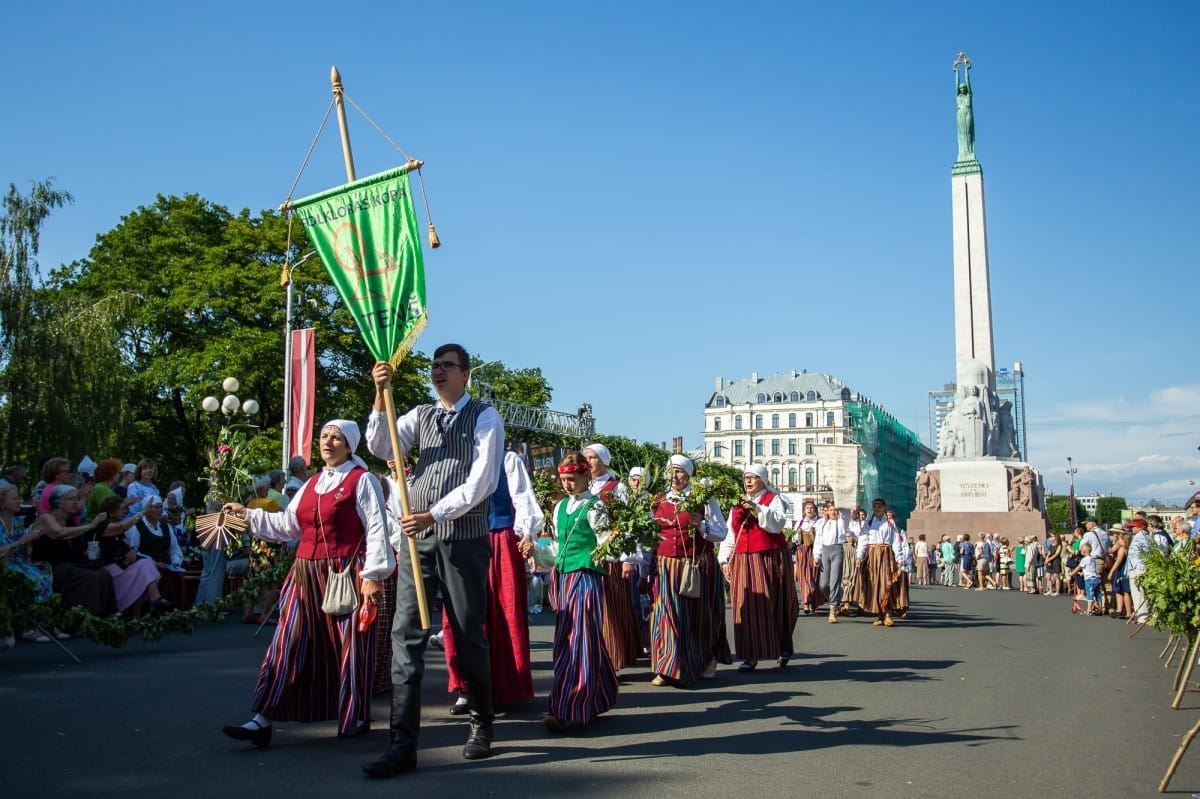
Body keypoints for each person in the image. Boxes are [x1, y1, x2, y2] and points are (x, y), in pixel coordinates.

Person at [363, 345, 504, 777]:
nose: (437, 371)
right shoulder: (420, 414)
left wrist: (434, 512)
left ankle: (481, 724)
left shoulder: (484, 416)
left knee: (466, 631)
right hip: (417, 537)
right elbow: (381, 443)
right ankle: (402, 744)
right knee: (406, 634)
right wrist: (378, 392)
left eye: (446, 366)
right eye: (433, 366)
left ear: (465, 373)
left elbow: (483, 481)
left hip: (461, 537)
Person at [221, 419, 394, 748]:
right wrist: (247, 514)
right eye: (324, 436)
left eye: (336, 438)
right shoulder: (312, 483)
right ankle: (261, 718)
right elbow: (288, 525)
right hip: (304, 573)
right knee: (287, 643)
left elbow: (377, 528)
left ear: (349, 445)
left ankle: (353, 715)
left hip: (345, 573)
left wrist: (372, 576)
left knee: (350, 646)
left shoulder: (363, 480)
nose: (328, 442)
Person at [440, 446, 543, 714]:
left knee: (501, 613)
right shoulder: (455, 458)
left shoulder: (507, 459)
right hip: (461, 539)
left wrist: (527, 533)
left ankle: (501, 687)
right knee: (460, 615)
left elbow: (522, 497)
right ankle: (465, 687)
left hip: (498, 537)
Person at [528, 452, 619, 732]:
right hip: (564, 580)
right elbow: (557, 549)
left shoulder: (595, 507)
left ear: (585, 476)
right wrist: (535, 550)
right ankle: (596, 695)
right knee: (569, 642)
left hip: (586, 578)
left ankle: (570, 708)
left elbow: (608, 547)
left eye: (572, 479)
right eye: (564, 479)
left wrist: (615, 540)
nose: (567, 485)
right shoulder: (561, 508)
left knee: (579, 642)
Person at [649, 454, 730, 687]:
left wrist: (701, 524)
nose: (675, 476)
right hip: (665, 565)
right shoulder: (658, 500)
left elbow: (721, 532)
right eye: (671, 471)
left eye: (680, 471)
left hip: (695, 565)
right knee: (665, 616)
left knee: (698, 616)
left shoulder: (702, 499)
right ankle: (667, 666)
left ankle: (705, 659)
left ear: (689, 474)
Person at [718, 464, 796, 669]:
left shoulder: (773, 499)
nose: (748, 481)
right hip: (743, 560)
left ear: (763, 480)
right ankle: (749, 655)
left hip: (769, 557)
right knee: (745, 605)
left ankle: (782, 647)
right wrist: (725, 559)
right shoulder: (737, 504)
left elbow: (777, 524)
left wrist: (757, 508)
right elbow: (730, 534)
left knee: (774, 603)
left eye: (753, 478)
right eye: (746, 478)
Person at [583, 442, 642, 672]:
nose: (588, 461)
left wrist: (629, 558)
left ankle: (613, 657)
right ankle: (595, 656)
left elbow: (628, 524)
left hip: (611, 556)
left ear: (604, 461)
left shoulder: (617, 487)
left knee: (611, 607)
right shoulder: (583, 486)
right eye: (586, 457)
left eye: (593, 457)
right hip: (588, 556)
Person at [27, 484, 118, 617]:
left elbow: (77, 548)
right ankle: (82, 616)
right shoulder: (47, 518)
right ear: (58, 503)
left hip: (71, 563)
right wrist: (90, 526)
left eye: (77, 498)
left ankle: (104, 614)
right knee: (89, 576)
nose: (76, 502)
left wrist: (88, 553)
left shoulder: (71, 521)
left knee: (103, 573)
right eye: (71, 499)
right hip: (50, 565)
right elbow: (59, 533)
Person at [0, 484, 69, 643]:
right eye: (14, 498)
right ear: (2, 503)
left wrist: (32, 539)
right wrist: (22, 541)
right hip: (4, 567)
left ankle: (47, 622)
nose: (19, 502)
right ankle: (29, 627)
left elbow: (24, 547)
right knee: (33, 580)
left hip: (19, 563)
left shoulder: (17, 522)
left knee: (43, 576)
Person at [853, 498, 902, 627]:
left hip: (885, 554)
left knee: (886, 583)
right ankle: (880, 614)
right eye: (874, 506)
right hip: (873, 554)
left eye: (879, 506)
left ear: (884, 507)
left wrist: (899, 558)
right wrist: (859, 556)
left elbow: (896, 541)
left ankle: (888, 613)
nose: (877, 508)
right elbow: (863, 540)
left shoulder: (890, 522)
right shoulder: (868, 522)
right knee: (874, 584)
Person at [812, 500, 847, 623]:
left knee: (835, 580)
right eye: (831, 510)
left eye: (835, 510)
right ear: (826, 511)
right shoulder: (821, 523)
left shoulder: (841, 522)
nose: (833, 512)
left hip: (837, 549)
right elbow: (818, 540)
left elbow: (846, 514)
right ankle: (836, 597)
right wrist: (816, 555)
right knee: (823, 584)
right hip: (825, 551)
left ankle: (833, 609)